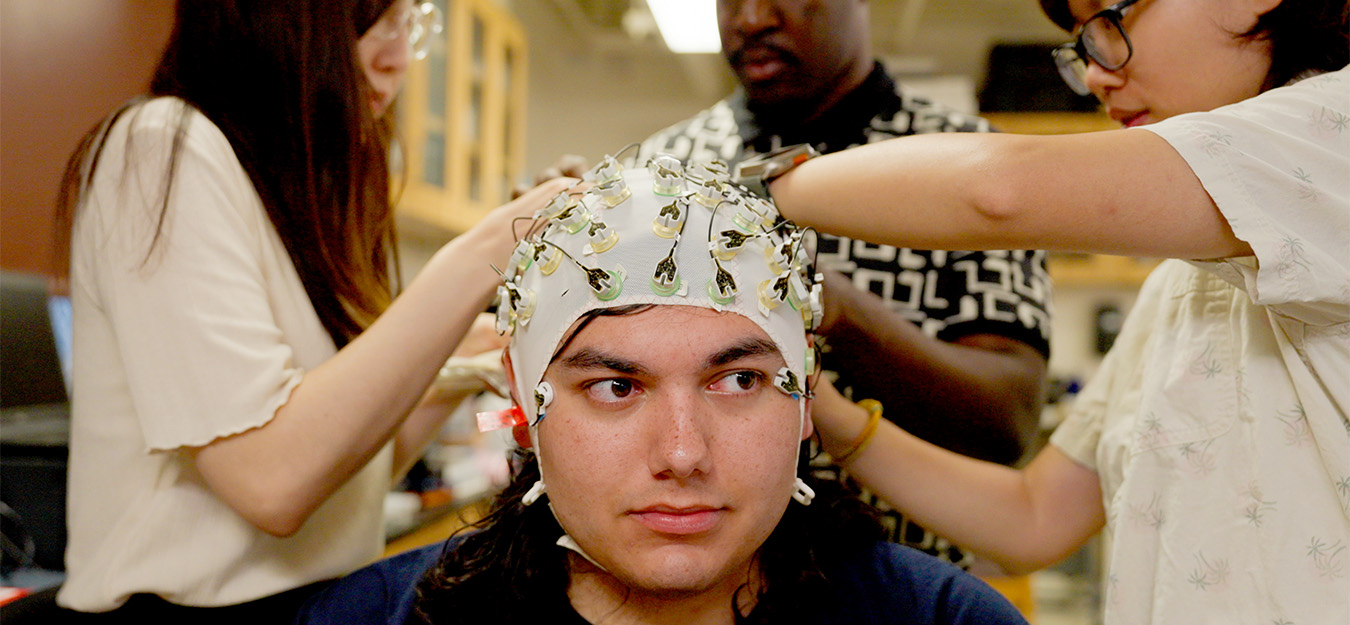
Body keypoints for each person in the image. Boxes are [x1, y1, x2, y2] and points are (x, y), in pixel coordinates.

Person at [760, 0, 1349, 623]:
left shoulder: (1334, 133)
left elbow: (998, 192)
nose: (1095, 74)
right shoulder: (1183, 287)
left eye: (1108, 22)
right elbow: (1033, 518)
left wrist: (744, 198)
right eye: (1080, 43)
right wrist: (824, 409)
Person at [296, 156, 1031, 625]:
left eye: (739, 379)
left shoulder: (941, 618)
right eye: (617, 385)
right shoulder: (384, 617)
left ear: (805, 397)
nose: (682, 453)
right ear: (525, 407)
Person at [52, 0, 571, 619]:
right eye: (372, 25)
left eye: (411, 25)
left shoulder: (298, 198)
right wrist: (493, 242)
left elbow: (348, 464)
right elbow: (272, 481)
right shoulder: (161, 146)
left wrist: (481, 349)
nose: (398, 57)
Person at [635, 0, 1052, 568]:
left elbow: (1008, 424)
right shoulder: (659, 172)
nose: (752, 18)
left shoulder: (967, 165)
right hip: (696, 590)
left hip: (897, 581)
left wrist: (842, 311)